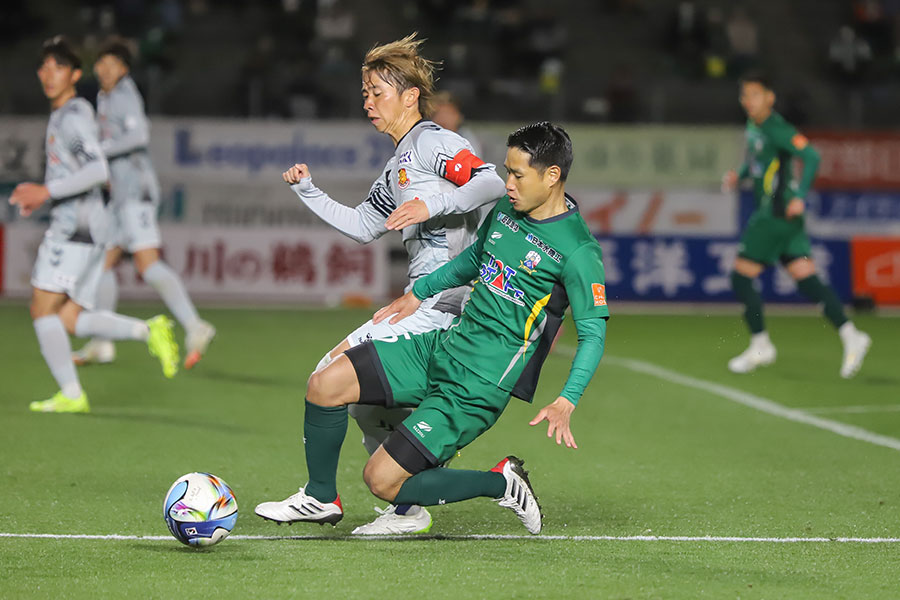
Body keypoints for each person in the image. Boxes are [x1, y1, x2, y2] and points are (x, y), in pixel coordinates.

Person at [256, 121, 609, 535]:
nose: (506, 182)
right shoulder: (507, 213)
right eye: (506, 170)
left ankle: (501, 483)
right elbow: (472, 259)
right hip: (442, 347)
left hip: (477, 386)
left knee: (382, 481)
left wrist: (567, 399)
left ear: (552, 176)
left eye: (516, 174)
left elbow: (593, 333)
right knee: (325, 384)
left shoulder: (578, 251)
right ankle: (320, 497)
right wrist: (418, 293)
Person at [264, 34, 505, 535]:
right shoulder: (398, 165)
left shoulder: (435, 142)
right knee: (366, 405)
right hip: (419, 303)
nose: (367, 102)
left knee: (327, 377)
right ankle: (406, 507)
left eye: (377, 91)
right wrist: (309, 190)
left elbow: (491, 182)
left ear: (410, 95)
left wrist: (433, 204)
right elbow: (361, 225)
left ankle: (320, 497)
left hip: (439, 304)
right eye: (365, 92)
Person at [9, 36, 179, 414]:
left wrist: (46, 191)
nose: (48, 74)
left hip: (76, 226)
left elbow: (97, 168)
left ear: (74, 74)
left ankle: (71, 394)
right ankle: (148, 330)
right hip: (88, 225)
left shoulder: (71, 117)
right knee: (69, 316)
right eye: (44, 67)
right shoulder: (70, 114)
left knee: (42, 309)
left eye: (58, 68)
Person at [72, 37, 216, 370]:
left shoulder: (124, 94)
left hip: (136, 193)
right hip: (122, 195)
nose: (102, 69)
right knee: (103, 264)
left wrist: (100, 153)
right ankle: (102, 343)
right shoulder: (106, 97)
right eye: (100, 63)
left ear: (122, 69)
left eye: (109, 64)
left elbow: (139, 136)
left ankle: (195, 326)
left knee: (147, 265)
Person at [722, 71, 871, 378]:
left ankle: (761, 345)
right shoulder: (755, 126)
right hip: (785, 218)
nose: (748, 101)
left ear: (770, 97)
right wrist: (741, 175)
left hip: (776, 214)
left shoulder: (777, 128)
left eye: (754, 94)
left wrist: (800, 195)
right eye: (744, 95)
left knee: (741, 277)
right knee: (805, 278)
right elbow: (758, 163)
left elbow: (812, 156)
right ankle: (851, 335)